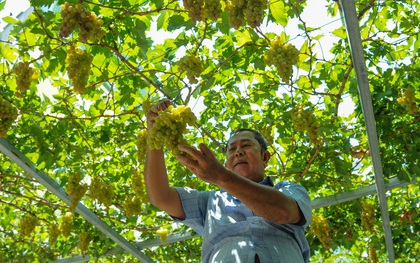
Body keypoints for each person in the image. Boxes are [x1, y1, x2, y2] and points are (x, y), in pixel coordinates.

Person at [144, 99, 312, 263]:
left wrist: (221, 177)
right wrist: (154, 137)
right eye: (232, 149)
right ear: (225, 163)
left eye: (246, 145)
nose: (238, 152)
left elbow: (284, 212)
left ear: (265, 156)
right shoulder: (209, 202)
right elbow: (160, 197)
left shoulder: (288, 190)